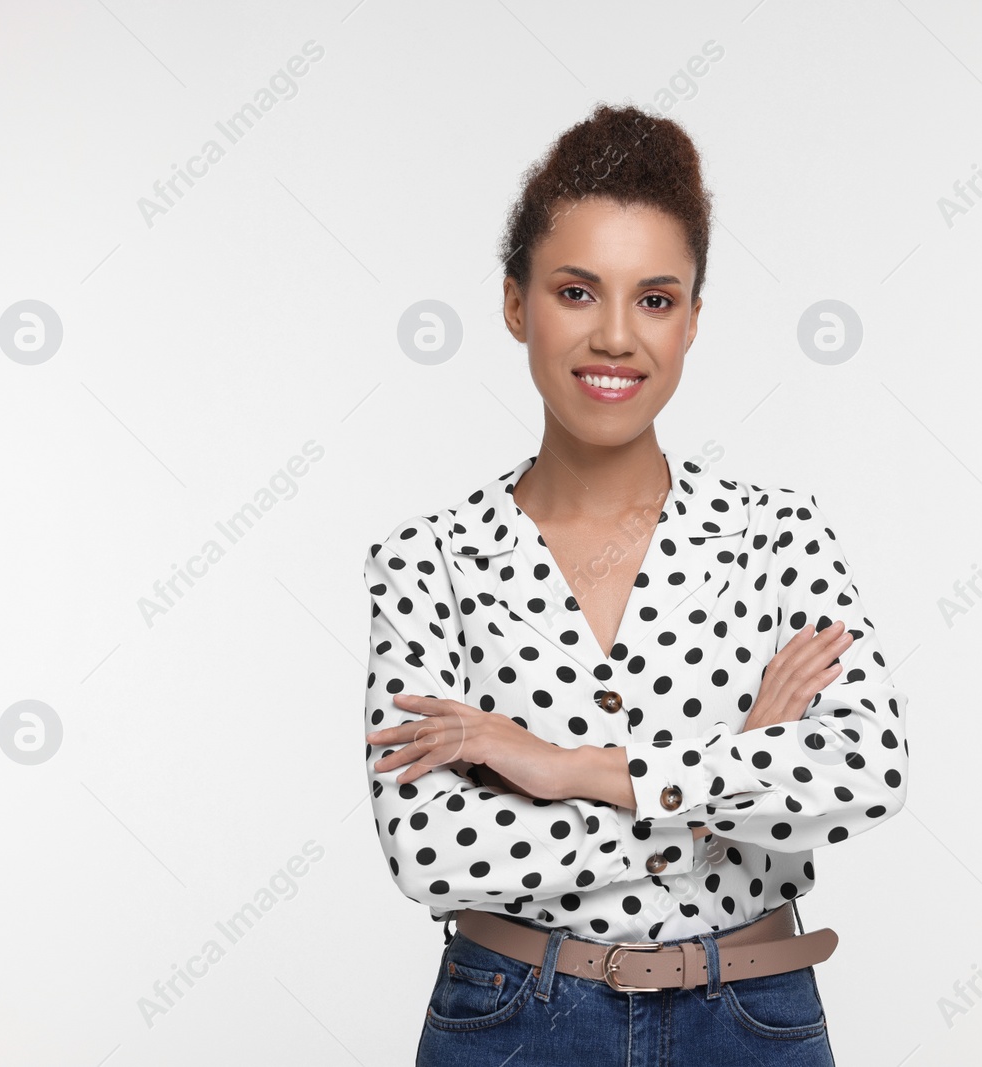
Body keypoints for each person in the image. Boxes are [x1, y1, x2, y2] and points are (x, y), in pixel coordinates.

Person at [363, 102, 909, 1066]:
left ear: (693, 320)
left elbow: (864, 767)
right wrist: (724, 778)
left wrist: (560, 766)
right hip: (515, 1017)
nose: (617, 337)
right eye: (578, 292)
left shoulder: (778, 532)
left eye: (655, 299)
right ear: (515, 302)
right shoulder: (429, 558)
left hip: (750, 1016)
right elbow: (434, 850)